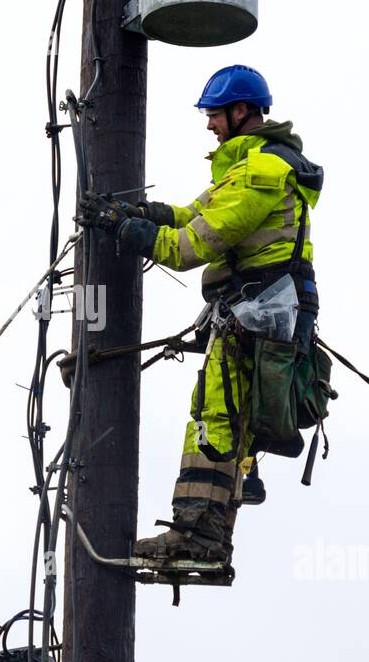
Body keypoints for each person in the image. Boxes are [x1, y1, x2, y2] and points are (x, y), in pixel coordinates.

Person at [80, 64, 324, 563]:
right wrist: (137, 213)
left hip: (255, 318)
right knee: (220, 418)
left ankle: (198, 538)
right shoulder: (248, 166)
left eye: (215, 115)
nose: (210, 125)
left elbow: (190, 246)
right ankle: (204, 532)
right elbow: (193, 212)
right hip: (252, 315)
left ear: (241, 112)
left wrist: (130, 233)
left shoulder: (263, 172)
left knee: (216, 421)